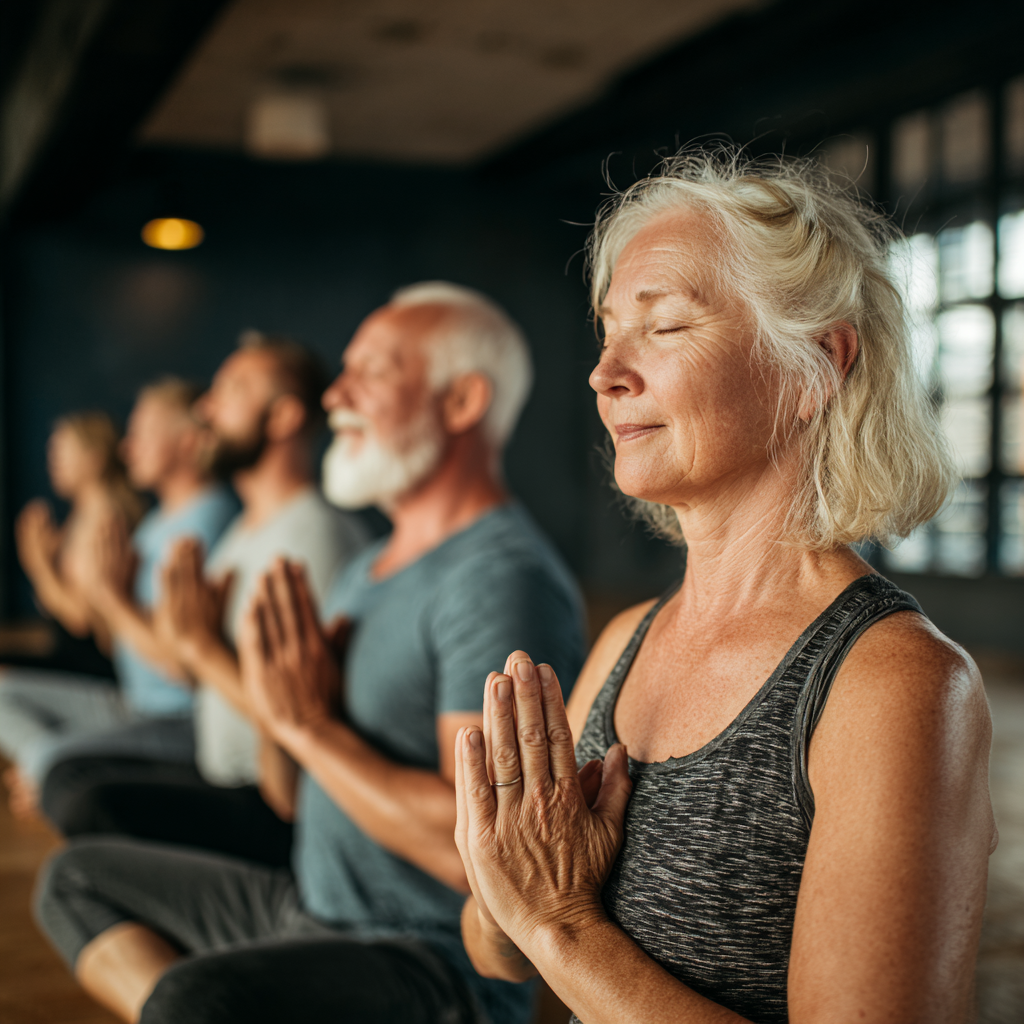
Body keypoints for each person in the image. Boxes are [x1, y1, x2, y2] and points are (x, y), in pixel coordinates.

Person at [452, 151, 997, 1024]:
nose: (605, 372)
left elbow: (543, 932)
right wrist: (511, 869)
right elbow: (494, 947)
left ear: (814, 364)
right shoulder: (628, 638)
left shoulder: (898, 684)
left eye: (665, 326)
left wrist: (561, 923)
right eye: (608, 332)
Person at [35, 283, 586, 1024]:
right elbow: (290, 796)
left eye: (373, 371)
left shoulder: (498, 579)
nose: (336, 394)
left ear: (461, 402)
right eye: (343, 370)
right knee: (73, 879)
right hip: (310, 904)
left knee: (194, 1000)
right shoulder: (364, 573)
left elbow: (485, 858)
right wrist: (278, 708)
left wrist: (308, 725)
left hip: (428, 957)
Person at [39, 334, 368, 865]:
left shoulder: (313, 537)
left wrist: (198, 647)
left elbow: (305, 714)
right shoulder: (241, 533)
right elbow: (189, 667)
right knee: (65, 777)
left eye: (232, 390)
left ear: (283, 417)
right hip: (219, 770)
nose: (207, 409)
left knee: (84, 804)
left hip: (275, 804)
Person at [0, 411, 147, 816]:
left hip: (100, 671)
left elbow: (83, 619)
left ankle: (48, 770)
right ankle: (48, 765)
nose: (54, 462)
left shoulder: (106, 517)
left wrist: (38, 566)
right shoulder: (82, 516)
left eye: (63, 452)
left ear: (95, 457)